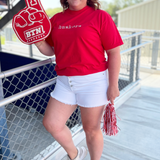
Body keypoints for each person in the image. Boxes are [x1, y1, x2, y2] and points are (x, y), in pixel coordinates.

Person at [35, 0, 123, 159]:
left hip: (93, 82)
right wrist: (39, 42)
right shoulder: (55, 20)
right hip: (64, 82)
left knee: (91, 129)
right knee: (52, 124)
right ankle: (75, 154)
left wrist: (113, 84)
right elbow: (51, 50)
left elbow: (114, 52)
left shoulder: (100, 16)